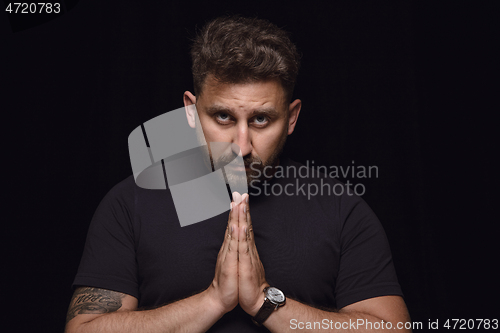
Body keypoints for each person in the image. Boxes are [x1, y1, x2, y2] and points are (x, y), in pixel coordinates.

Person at [65, 16, 412, 332]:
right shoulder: (132, 203)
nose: (241, 146)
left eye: (261, 119)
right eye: (223, 117)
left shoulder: (340, 210)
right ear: (190, 111)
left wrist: (265, 303)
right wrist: (213, 300)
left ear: (291, 118)